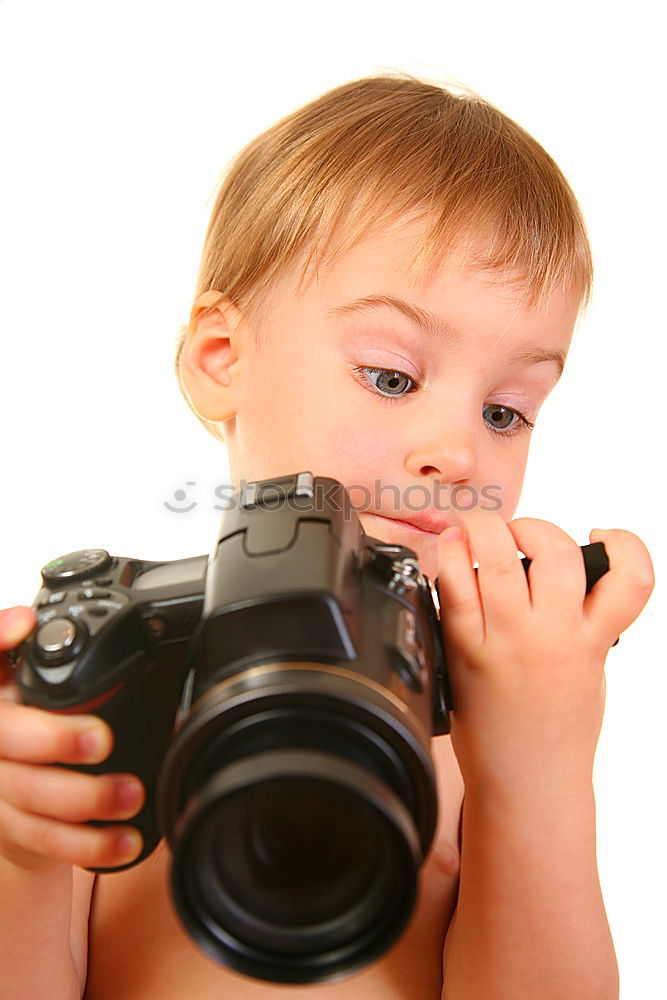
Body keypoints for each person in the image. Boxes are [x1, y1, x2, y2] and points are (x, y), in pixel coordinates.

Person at [0, 71, 654, 1000]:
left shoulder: (485, 728)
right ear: (222, 359)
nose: (458, 452)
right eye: (391, 377)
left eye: (507, 411)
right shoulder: (118, 689)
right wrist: (19, 859)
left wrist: (539, 771)